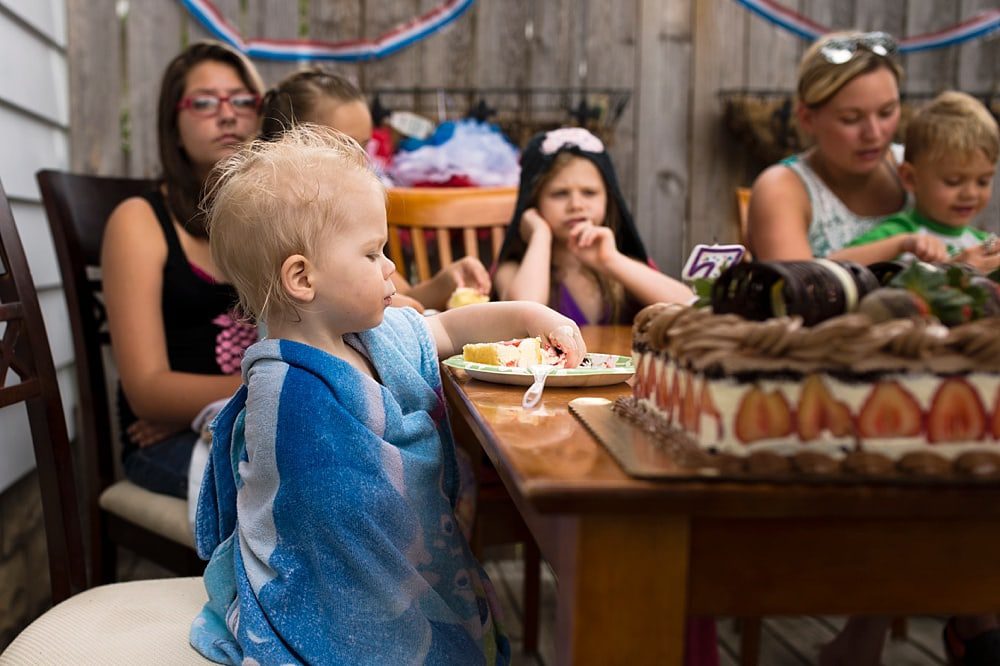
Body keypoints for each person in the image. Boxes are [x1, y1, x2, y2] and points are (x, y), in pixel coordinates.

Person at [189, 124, 585, 663]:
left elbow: (449, 329)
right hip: (336, 601)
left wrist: (535, 316)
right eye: (373, 253)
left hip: (411, 578)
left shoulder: (374, 337)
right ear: (302, 279)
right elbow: (322, 527)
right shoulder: (286, 400)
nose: (391, 267)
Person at [101, 41, 263, 499]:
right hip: (167, 440)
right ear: (173, 124)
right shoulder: (139, 221)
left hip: (264, 419)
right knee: (315, 485)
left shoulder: (272, 221)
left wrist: (235, 402)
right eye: (205, 102)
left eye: (242, 100)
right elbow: (148, 394)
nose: (228, 115)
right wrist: (273, 388)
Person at [259, 67, 492, 312]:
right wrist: (399, 306)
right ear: (289, 148)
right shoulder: (280, 231)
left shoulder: (354, 216)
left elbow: (408, 295)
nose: (361, 161)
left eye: (365, 147)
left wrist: (448, 281)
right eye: (345, 147)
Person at [493, 127, 693, 323]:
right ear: (534, 203)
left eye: (589, 192)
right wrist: (540, 235)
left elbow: (690, 309)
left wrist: (610, 260)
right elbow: (521, 317)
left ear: (608, 199)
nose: (576, 205)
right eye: (560, 193)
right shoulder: (513, 270)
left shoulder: (621, 265)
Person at [748, 31, 908, 260]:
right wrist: (899, 245)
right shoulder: (782, 189)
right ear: (807, 119)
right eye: (851, 118)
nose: (873, 133)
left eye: (886, 112)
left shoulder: (917, 169)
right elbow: (799, 288)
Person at [843, 91, 1000, 272]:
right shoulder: (900, 235)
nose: (971, 193)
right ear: (910, 178)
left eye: (983, 181)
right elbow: (832, 267)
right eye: (953, 181)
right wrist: (901, 245)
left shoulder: (983, 243)